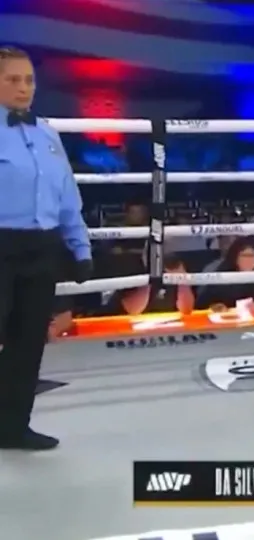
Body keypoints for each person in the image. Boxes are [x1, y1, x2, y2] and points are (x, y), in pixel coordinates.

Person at [0, 46, 92, 450]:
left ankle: (12, 427)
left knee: (28, 343)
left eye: (29, 80)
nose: (24, 88)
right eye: (12, 79)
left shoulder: (48, 134)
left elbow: (67, 197)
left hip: (41, 248)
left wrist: (80, 248)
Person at [197, 236, 254, 311]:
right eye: (243, 255)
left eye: (251, 255)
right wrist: (215, 306)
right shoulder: (223, 274)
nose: (247, 260)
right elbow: (203, 301)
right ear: (235, 257)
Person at [102, 254, 195, 316]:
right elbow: (132, 310)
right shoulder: (134, 271)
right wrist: (150, 278)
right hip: (125, 328)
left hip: (164, 328)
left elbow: (186, 310)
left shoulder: (172, 275)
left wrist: (182, 280)